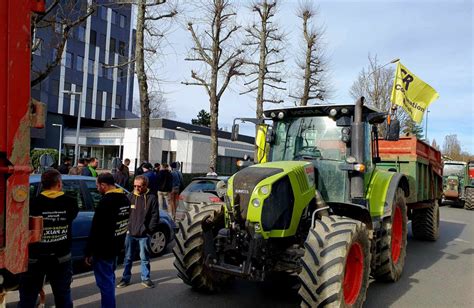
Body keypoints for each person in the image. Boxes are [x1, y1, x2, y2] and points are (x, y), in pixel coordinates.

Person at [19, 169, 79, 308]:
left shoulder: (32, 203)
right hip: (61, 258)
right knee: (63, 296)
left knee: (28, 297)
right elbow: (71, 216)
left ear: (42, 184)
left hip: (35, 258)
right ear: (59, 184)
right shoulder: (70, 202)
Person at [85, 173, 130, 308]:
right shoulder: (125, 199)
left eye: (98, 186)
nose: (97, 188)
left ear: (104, 185)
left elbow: (96, 230)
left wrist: (89, 252)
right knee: (109, 279)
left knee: (106, 284)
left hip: (103, 250)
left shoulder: (106, 202)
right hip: (116, 247)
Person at [117, 175, 159, 289]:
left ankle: (145, 278)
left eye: (139, 186)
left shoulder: (152, 198)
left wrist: (149, 230)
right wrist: (126, 229)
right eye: (135, 186)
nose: (136, 188)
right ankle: (125, 279)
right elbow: (124, 214)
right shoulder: (129, 196)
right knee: (128, 257)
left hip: (144, 235)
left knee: (144, 258)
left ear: (145, 185)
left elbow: (155, 216)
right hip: (130, 233)